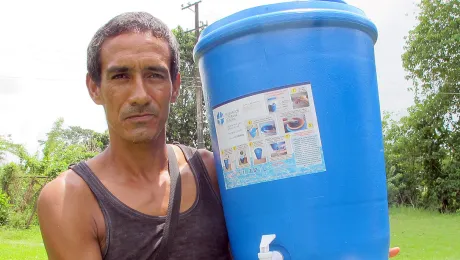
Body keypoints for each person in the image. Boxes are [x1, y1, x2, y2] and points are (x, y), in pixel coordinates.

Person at [37, 12, 400, 260]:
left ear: (176, 87)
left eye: (155, 74)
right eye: (119, 76)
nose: (139, 94)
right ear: (94, 87)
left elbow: (272, 241)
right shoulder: (69, 200)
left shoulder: (213, 171)